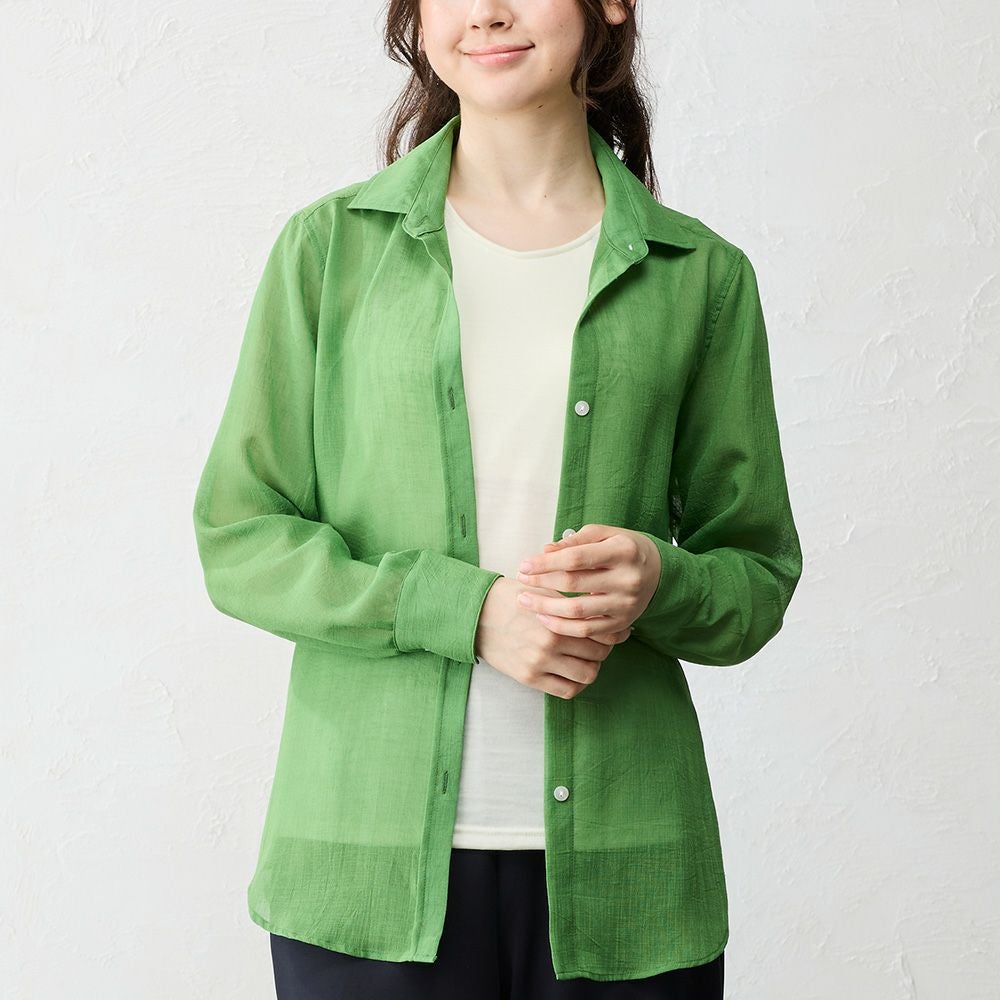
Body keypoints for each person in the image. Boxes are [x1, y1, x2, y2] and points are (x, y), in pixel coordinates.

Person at [192, 1, 803, 997]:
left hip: (629, 875)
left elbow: (757, 577)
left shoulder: (700, 277)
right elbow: (239, 536)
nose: (485, 12)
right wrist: (466, 612)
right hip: (363, 867)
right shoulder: (329, 250)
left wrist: (659, 578)